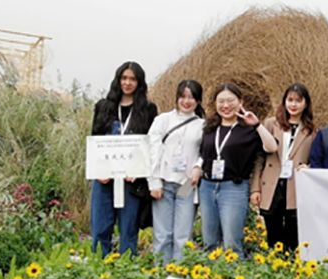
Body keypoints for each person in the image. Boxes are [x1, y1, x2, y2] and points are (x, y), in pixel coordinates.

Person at [193, 83, 278, 257]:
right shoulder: (208, 128)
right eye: (221, 101)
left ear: (240, 101)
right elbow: (202, 154)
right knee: (210, 242)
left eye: (230, 101)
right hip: (208, 187)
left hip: (234, 188)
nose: (226, 106)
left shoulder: (247, 130)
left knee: (232, 242)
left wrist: (256, 124)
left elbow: (271, 147)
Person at [90, 61, 158, 257]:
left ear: (139, 82)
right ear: (118, 79)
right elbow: (95, 140)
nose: (127, 83)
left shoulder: (147, 109)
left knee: (129, 229)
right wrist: (99, 171)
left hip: (131, 179)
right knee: (101, 226)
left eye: (133, 79)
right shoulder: (103, 106)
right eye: (124, 78)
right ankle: (98, 270)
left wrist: (138, 170)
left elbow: (151, 144)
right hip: (104, 179)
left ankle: (126, 274)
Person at [251, 83, 317, 251]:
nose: (293, 105)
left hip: (295, 185)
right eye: (290, 100)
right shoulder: (271, 124)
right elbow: (259, 158)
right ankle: (274, 267)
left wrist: (308, 167)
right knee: (273, 233)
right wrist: (255, 188)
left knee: (293, 233)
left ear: (306, 104)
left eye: (298, 101)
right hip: (271, 184)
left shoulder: (311, 131)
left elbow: (314, 159)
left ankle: (290, 269)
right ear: (284, 102)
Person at [147, 80, 205, 263]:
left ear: (198, 101)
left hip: (187, 183)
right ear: (177, 98)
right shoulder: (163, 120)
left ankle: (179, 277)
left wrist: (198, 166)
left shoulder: (203, 125)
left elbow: (207, 151)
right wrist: (153, 181)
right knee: (162, 234)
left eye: (191, 97)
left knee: (183, 235)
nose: (186, 101)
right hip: (164, 180)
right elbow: (152, 151)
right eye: (183, 96)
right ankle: (160, 277)